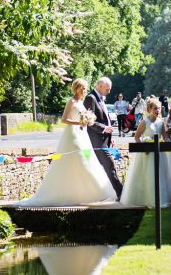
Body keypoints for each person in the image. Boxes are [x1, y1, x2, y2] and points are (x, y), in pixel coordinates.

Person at [17, 78, 117, 206]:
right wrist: (78, 122)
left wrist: (87, 121)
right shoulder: (72, 101)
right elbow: (64, 119)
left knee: (87, 161)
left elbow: (85, 118)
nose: (85, 91)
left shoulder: (81, 102)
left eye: (85, 89)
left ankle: (90, 192)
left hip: (82, 134)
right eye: (83, 89)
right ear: (77, 89)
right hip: (73, 134)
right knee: (78, 159)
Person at [120, 97, 171, 208]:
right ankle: (147, 199)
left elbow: (165, 136)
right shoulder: (144, 122)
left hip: (159, 153)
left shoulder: (161, 122)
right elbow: (137, 137)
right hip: (147, 153)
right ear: (149, 109)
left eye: (158, 109)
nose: (157, 111)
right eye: (155, 109)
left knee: (159, 175)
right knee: (148, 175)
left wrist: (170, 143)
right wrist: (144, 147)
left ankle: (159, 200)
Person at [84, 77, 123, 199]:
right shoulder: (91, 98)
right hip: (97, 140)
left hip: (105, 140)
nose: (109, 91)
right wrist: (104, 128)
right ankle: (121, 194)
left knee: (107, 168)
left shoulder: (100, 98)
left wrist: (109, 136)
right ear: (100, 86)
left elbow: (104, 118)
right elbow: (88, 120)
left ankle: (111, 193)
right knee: (110, 166)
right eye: (108, 88)